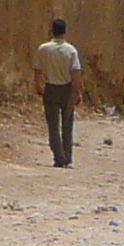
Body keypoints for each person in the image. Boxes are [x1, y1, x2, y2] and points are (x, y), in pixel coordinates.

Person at [33, 18, 82, 167]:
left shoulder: (43, 49)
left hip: (50, 88)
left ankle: (58, 157)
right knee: (67, 124)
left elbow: (37, 70)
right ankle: (67, 157)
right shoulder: (71, 50)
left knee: (53, 125)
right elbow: (75, 72)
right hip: (66, 89)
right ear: (65, 31)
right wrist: (78, 91)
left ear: (51, 31)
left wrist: (38, 86)